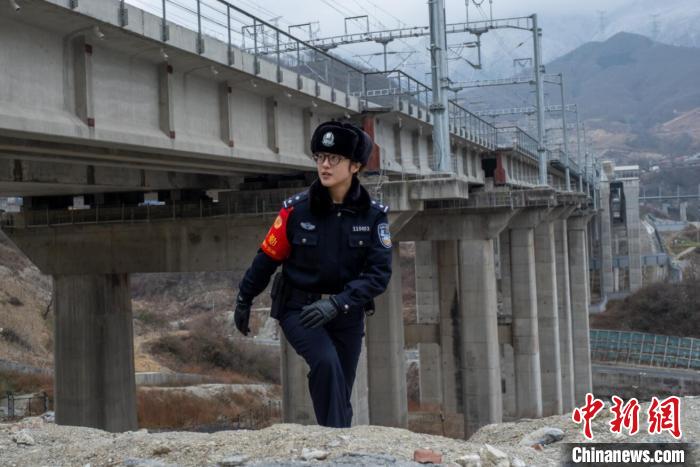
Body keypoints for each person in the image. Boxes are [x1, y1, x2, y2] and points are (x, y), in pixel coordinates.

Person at [233, 121, 393, 428]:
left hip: (346, 312)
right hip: (299, 309)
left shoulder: (373, 216)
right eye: (320, 157)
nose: (325, 165)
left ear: (355, 166)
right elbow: (267, 257)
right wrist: (245, 298)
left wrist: (337, 304)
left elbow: (379, 274)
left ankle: (337, 442)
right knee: (326, 363)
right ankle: (336, 442)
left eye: (334, 158)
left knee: (341, 388)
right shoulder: (296, 211)